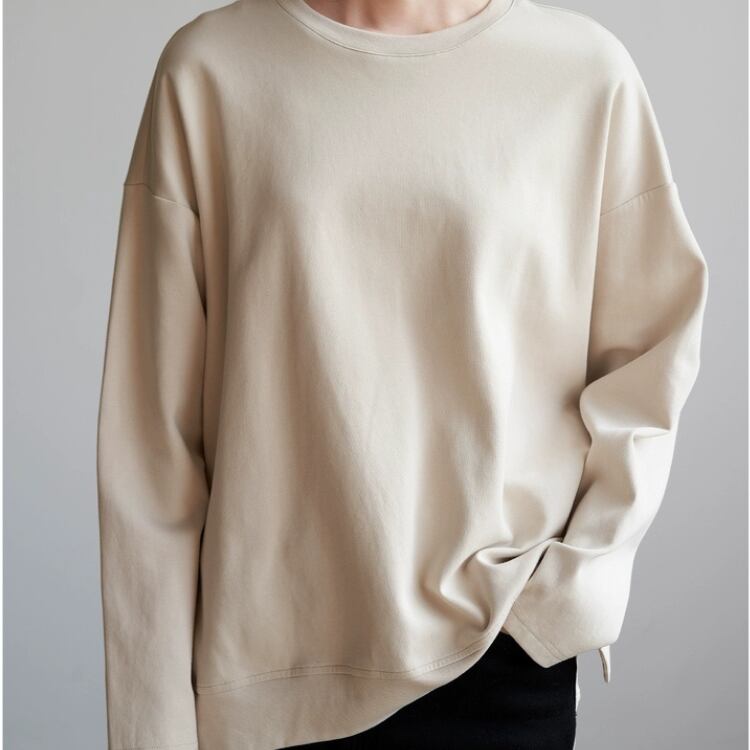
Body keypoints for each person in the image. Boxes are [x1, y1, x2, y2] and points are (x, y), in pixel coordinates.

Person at [95, 0, 709, 748]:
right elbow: (150, 451)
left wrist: (571, 593)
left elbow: (651, 354)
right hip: (268, 684)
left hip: (500, 659)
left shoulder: (582, 73)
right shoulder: (208, 71)